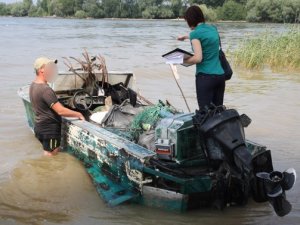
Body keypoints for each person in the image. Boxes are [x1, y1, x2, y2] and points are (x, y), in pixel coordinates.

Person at [30, 57, 85, 156]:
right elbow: (60, 111)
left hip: (40, 127)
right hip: (49, 130)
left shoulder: (33, 85)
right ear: (41, 70)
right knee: (51, 158)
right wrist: (78, 114)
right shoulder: (46, 90)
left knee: (48, 154)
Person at [177, 5, 225, 109]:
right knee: (218, 114)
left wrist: (179, 60)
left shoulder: (195, 34)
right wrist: (186, 37)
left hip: (206, 78)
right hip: (220, 77)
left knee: (205, 115)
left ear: (191, 20)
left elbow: (198, 58)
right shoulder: (213, 29)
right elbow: (204, 36)